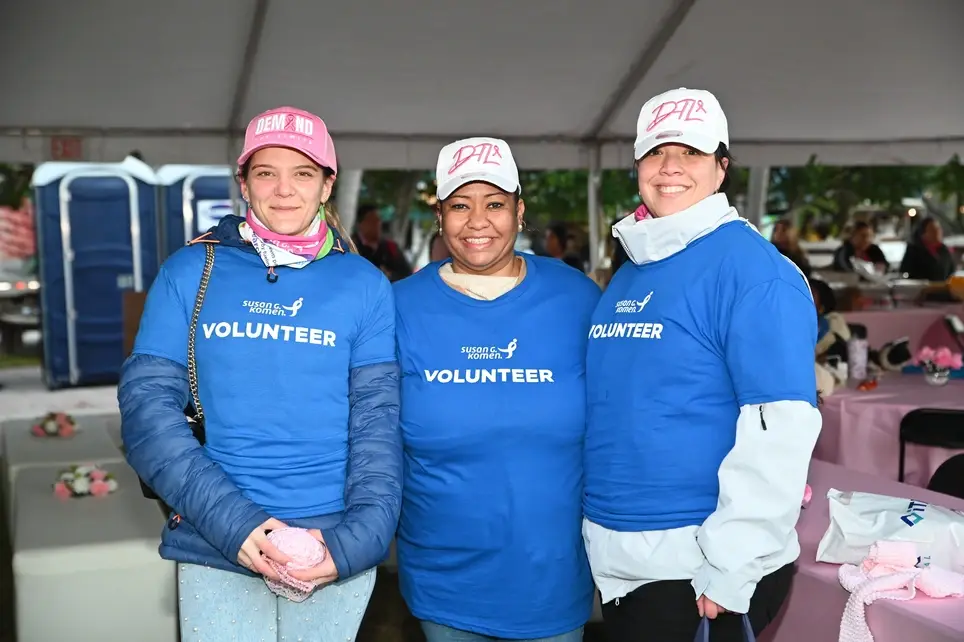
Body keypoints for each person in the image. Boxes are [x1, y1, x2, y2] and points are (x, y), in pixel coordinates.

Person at [119, 106, 402, 642]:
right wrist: (238, 525)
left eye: (303, 173)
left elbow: (378, 425)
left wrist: (355, 543)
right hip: (215, 537)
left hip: (330, 545)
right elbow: (146, 414)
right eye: (266, 172)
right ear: (243, 185)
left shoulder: (365, 284)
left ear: (327, 185)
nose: (284, 189)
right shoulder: (189, 270)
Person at [582, 88, 820, 642]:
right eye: (655, 152)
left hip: (697, 565)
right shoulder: (635, 265)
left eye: (690, 153)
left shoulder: (755, 273)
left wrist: (731, 562)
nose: (670, 167)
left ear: (722, 168)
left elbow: (780, 426)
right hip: (625, 557)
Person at [393, 136, 601, 642]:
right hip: (444, 580)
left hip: (551, 578)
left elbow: (620, 422)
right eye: (460, 205)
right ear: (440, 215)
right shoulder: (399, 306)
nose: (477, 221)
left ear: (520, 211)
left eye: (495, 204)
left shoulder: (576, 299)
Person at [354, 203, 413, 281]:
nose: (378, 224)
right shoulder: (351, 248)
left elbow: (407, 275)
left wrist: (390, 275)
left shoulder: (391, 247)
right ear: (361, 224)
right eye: (372, 220)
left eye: (379, 220)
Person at [899, 217, 956, 282]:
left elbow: (951, 272)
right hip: (921, 290)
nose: (937, 232)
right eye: (932, 229)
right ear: (923, 234)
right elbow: (905, 273)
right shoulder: (914, 250)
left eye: (938, 229)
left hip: (942, 289)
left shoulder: (944, 250)